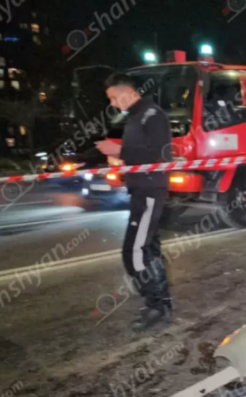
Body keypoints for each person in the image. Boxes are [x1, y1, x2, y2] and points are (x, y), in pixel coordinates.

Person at [96, 73, 173, 331]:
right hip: (141, 189)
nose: (113, 103)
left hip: (150, 190)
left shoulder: (152, 115)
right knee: (148, 249)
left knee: (134, 252)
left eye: (114, 97)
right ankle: (161, 303)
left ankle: (155, 304)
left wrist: (119, 151)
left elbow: (159, 154)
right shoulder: (135, 116)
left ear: (129, 92)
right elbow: (139, 154)